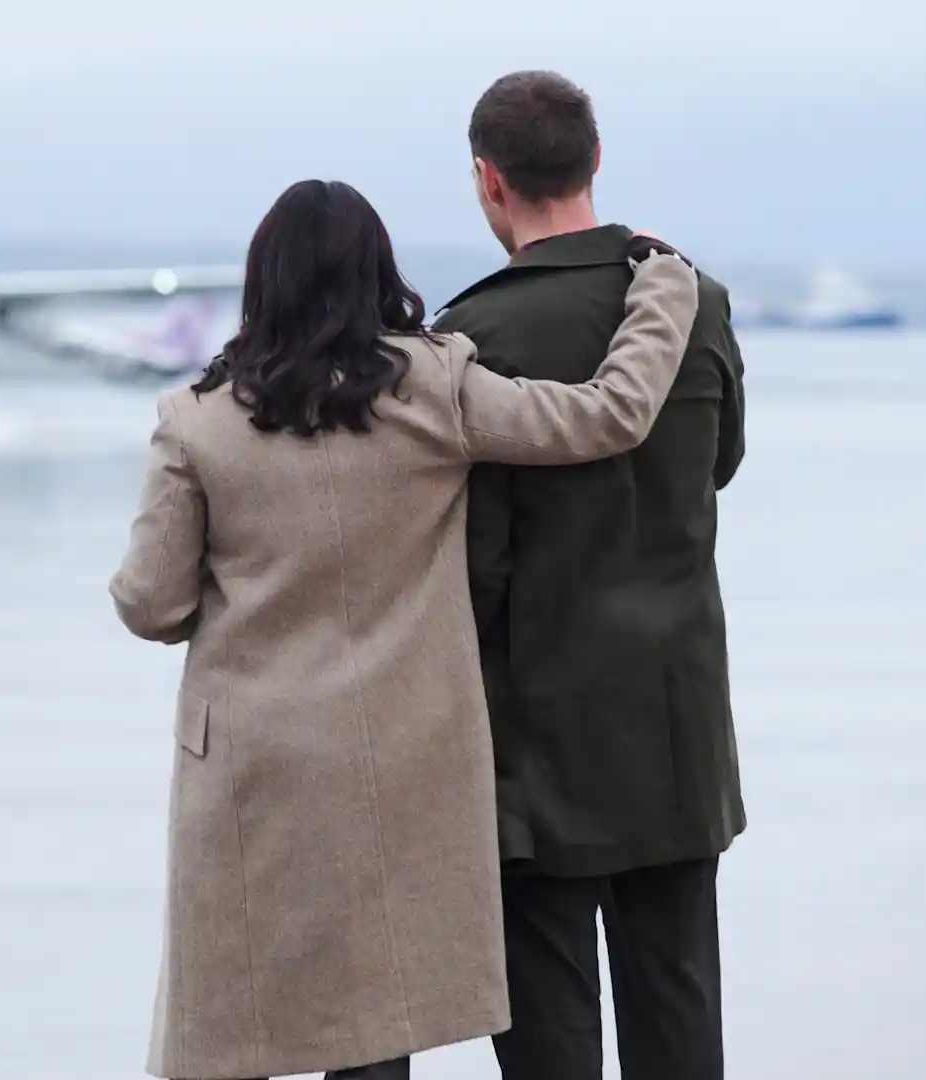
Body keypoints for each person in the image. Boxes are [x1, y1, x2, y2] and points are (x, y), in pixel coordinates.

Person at [109, 177, 699, 1080]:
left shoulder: (197, 423)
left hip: (249, 769)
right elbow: (609, 414)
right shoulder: (435, 390)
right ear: (378, 275)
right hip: (397, 756)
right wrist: (663, 286)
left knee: (234, 1026)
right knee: (372, 1029)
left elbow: (151, 604)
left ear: (262, 281)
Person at [431, 71, 748, 1080]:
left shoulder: (473, 337)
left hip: (534, 741)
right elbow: (720, 465)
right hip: (676, 723)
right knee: (680, 1020)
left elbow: (472, 555)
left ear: (488, 179)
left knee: (549, 1038)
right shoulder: (695, 303)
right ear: (596, 159)